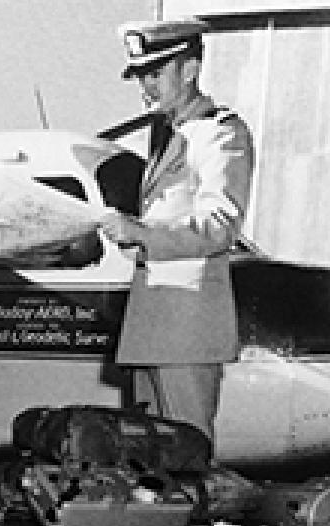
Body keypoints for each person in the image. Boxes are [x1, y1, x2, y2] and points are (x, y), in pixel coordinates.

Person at [100, 18, 255, 454]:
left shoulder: (221, 133)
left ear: (188, 70)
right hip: (153, 323)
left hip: (187, 328)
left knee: (186, 457)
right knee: (148, 466)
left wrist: (143, 232)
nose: (145, 87)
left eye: (154, 74)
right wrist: (132, 235)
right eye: (140, 77)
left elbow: (220, 225)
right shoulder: (170, 136)